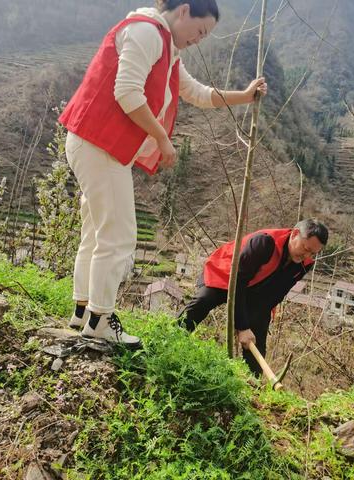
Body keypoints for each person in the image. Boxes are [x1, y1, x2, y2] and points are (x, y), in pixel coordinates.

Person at [59, 0, 267, 347]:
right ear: (184, 10)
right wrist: (160, 137)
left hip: (97, 143)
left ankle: (84, 313)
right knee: (119, 234)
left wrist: (245, 97)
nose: (200, 39)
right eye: (200, 31)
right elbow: (126, 92)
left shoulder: (166, 48)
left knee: (97, 232)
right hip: (99, 144)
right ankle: (99, 320)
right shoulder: (146, 32)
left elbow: (198, 94)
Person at [179, 219, 328, 375]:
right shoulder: (265, 242)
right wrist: (242, 326)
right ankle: (168, 339)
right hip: (225, 275)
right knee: (203, 302)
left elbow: (277, 293)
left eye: (313, 253)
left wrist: (255, 321)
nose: (307, 255)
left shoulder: (306, 263)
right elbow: (238, 281)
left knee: (257, 336)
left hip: (256, 291)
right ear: (295, 234)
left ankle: (252, 384)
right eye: (306, 248)